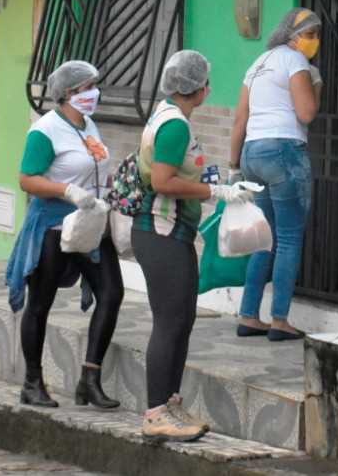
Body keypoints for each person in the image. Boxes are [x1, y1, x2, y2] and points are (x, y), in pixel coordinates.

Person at [5, 60, 121, 410]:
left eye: (94, 86)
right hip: (52, 227)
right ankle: (32, 382)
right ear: (68, 93)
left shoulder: (89, 126)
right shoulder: (45, 130)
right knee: (40, 303)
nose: (94, 93)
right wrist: (67, 191)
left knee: (111, 293)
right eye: (87, 88)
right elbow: (27, 178)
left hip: (88, 224)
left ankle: (90, 378)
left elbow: (97, 167)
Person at [133, 50, 215, 442]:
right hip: (161, 232)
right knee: (170, 321)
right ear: (195, 87)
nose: (208, 88)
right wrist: (212, 191)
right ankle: (155, 414)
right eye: (205, 82)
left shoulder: (167, 115)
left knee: (182, 319)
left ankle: (169, 402)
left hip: (170, 233)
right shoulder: (175, 125)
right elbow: (164, 181)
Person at [230, 8, 322, 342]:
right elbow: (307, 112)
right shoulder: (296, 62)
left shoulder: (258, 64)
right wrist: (316, 83)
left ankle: (248, 314)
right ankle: (279, 319)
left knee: (263, 239)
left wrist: (232, 165)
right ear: (292, 36)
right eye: (309, 35)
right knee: (288, 238)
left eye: (316, 35)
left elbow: (240, 119)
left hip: (252, 153)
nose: (314, 42)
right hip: (283, 152)